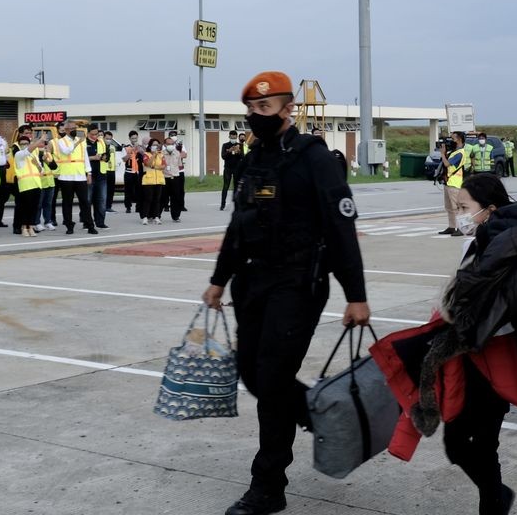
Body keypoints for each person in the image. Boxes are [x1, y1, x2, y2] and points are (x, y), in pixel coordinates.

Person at [201, 70, 371, 515]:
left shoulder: (312, 157)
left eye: (264, 107)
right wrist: (219, 279)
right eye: (251, 109)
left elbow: (340, 227)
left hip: (298, 285)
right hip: (253, 283)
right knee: (255, 376)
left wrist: (356, 294)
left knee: (273, 377)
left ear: (286, 107)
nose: (257, 115)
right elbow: (238, 227)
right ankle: (322, 417)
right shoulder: (254, 158)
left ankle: (267, 486)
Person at [440, 172, 517, 515]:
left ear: (489, 209)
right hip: (471, 355)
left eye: (465, 208)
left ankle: (494, 504)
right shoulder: (472, 244)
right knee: (456, 444)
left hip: (498, 358)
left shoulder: (510, 246)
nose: (461, 215)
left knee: (483, 445)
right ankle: (498, 496)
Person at [53, 120, 97, 235]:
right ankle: (69, 225)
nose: (74, 130)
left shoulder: (81, 141)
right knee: (67, 202)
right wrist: (77, 143)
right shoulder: (61, 141)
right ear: (66, 130)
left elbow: (85, 157)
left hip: (80, 176)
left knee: (85, 202)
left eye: (75, 128)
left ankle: (90, 224)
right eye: (72, 128)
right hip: (66, 177)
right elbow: (67, 151)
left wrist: (89, 173)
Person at [13, 134, 46, 237]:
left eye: (26, 143)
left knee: (34, 207)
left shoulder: (34, 155)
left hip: (36, 184)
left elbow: (42, 171)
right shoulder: (19, 154)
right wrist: (40, 140)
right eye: (22, 144)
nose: (24, 145)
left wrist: (37, 165)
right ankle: (24, 227)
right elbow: (27, 151)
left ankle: (31, 227)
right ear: (19, 145)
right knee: (25, 207)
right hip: (25, 185)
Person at [438, 131, 468, 236]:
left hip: (455, 183)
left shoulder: (460, 153)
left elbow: (447, 164)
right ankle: (452, 226)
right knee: (449, 207)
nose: (451, 140)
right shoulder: (455, 151)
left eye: (453, 138)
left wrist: (442, 154)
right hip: (448, 182)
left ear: (459, 139)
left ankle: (461, 228)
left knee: (457, 207)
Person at [84, 125, 110, 229]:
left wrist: (105, 157)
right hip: (88, 175)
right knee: (87, 200)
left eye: (96, 134)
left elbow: (107, 155)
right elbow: (81, 158)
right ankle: (87, 223)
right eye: (93, 134)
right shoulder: (83, 143)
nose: (95, 136)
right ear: (88, 133)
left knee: (102, 200)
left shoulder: (101, 142)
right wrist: (93, 157)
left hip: (101, 175)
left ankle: (100, 222)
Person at [140, 137, 165, 225]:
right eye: (154, 145)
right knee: (148, 199)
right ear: (150, 146)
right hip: (148, 180)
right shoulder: (146, 154)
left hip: (159, 179)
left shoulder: (161, 155)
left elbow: (163, 166)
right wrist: (154, 155)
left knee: (157, 199)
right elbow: (148, 164)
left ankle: (156, 216)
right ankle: (145, 217)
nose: (155, 146)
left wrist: (155, 167)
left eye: (157, 145)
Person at [36, 138, 59, 231]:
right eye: (41, 144)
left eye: (45, 144)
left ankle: (48, 222)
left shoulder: (48, 154)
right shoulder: (35, 154)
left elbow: (54, 166)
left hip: (50, 182)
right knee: (39, 204)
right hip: (41, 183)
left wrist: (46, 160)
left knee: (48, 204)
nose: (44, 146)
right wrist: (42, 159)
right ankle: (37, 222)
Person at [221, 129, 244, 211]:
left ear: (236, 137)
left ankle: (237, 205)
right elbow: (223, 156)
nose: (233, 139)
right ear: (229, 137)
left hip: (237, 169)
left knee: (237, 186)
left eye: (234, 137)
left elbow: (243, 157)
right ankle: (222, 204)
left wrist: (238, 152)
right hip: (227, 168)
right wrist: (229, 151)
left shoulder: (240, 145)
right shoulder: (225, 145)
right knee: (226, 186)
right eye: (231, 137)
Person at [123, 131, 143, 214]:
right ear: (129, 139)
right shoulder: (126, 147)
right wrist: (131, 151)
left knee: (139, 190)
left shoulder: (140, 147)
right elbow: (124, 159)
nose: (134, 140)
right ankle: (128, 207)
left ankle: (138, 207)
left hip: (138, 172)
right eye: (132, 138)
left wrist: (139, 149)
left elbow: (144, 155)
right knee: (128, 190)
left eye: (135, 138)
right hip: (129, 172)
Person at [102, 131, 118, 213]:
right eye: (107, 138)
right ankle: (103, 206)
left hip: (112, 170)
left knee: (111, 190)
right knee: (104, 190)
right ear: (103, 138)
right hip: (104, 170)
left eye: (110, 139)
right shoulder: (101, 146)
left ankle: (109, 206)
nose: (108, 140)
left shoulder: (113, 147)